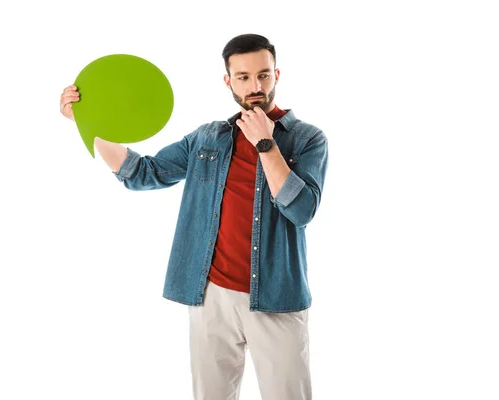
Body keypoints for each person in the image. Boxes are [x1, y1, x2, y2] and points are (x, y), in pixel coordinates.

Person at [60, 33, 328, 400]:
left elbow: (301, 210)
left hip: (276, 297)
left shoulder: (307, 139)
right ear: (228, 81)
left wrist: (266, 145)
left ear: (277, 75)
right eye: (244, 77)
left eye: (264, 75)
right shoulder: (208, 138)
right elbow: (143, 173)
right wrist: (87, 120)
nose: (255, 86)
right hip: (211, 296)